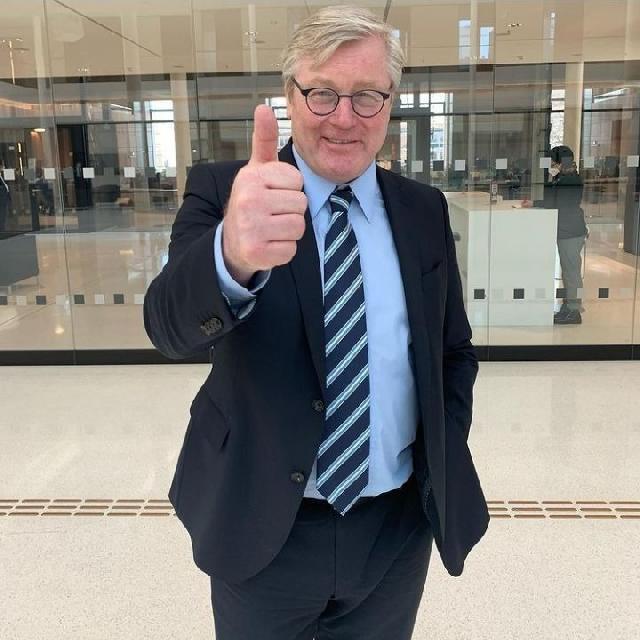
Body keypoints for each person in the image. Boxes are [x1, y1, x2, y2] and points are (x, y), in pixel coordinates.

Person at [144, 7, 488, 639]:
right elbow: (167, 326)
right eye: (322, 93)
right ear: (289, 94)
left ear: (390, 102)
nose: (344, 118)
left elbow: (451, 351)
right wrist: (231, 256)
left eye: (367, 96)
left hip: (394, 529)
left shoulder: (422, 209)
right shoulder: (230, 193)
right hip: (262, 524)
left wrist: (436, 450)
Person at [524, 145, 587, 324]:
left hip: (570, 232)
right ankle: (569, 306)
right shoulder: (565, 177)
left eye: (554, 162)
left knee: (571, 273)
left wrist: (536, 202)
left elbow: (557, 203)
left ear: (561, 162)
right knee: (568, 272)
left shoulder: (569, 180)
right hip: (568, 230)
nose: (552, 166)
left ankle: (574, 311)